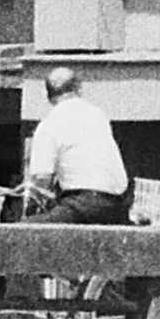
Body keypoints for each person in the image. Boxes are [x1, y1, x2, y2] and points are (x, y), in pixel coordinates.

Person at [18, 63, 135, 227]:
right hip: (119, 204)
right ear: (79, 89)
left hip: (83, 204)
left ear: (49, 97)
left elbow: (41, 181)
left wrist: (29, 209)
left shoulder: (49, 125)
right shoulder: (98, 115)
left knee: (23, 229)